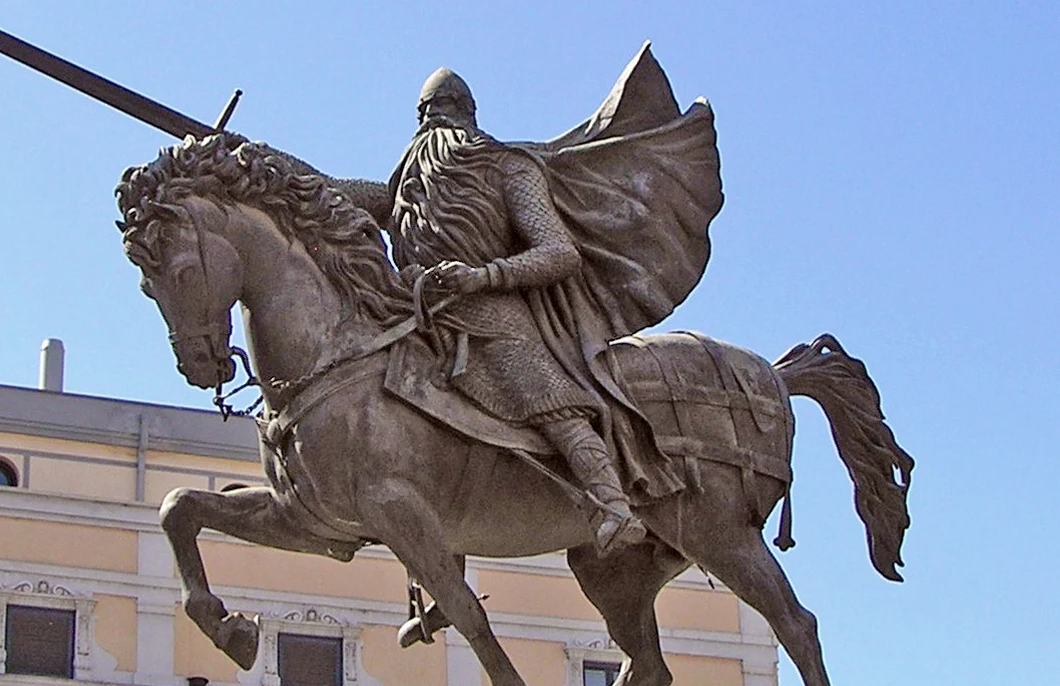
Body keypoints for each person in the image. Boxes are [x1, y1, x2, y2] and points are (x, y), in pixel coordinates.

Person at [273, 47, 723, 555]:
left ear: (466, 115)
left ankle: (612, 504)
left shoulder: (509, 169)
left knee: (546, 399)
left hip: (495, 313)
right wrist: (259, 159)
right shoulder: (403, 189)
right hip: (415, 317)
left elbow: (559, 253)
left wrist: (482, 277)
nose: (433, 124)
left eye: (441, 110)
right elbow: (324, 190)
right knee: (396, 429)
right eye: (427, 114)